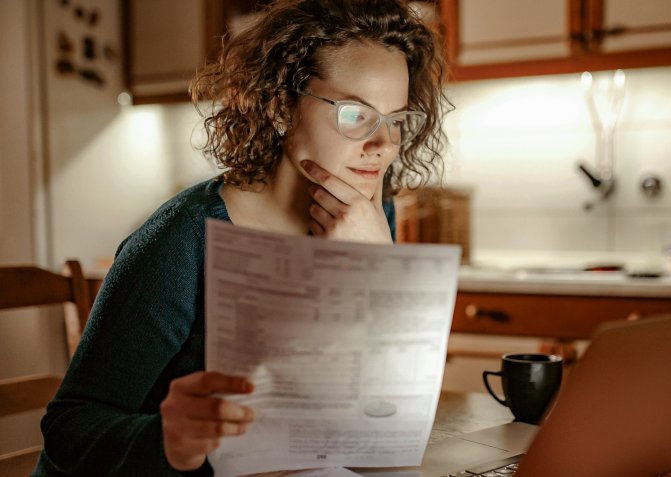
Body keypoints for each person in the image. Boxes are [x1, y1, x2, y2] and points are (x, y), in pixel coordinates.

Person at [34, 0, 448, 475]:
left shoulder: (371, 216)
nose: (383, 146)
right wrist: (169, 440)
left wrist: (379, 269)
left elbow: (376, 414)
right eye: (356, 114)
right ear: (279, 107)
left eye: (396, 120)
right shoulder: (184, 238)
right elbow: (69, 427)